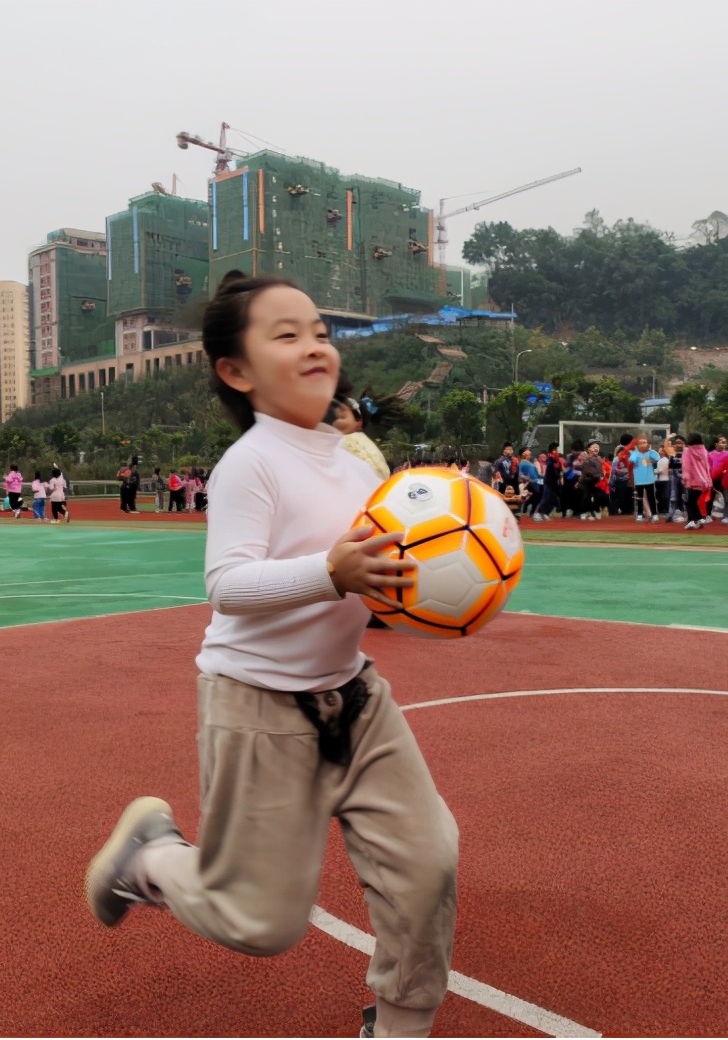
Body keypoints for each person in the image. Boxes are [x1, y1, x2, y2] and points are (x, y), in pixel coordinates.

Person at [85, 272, 457, 1040]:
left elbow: (375, 573)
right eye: (285, 335)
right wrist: (331, 571)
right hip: (260, 706)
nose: (314, 344)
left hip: (356, 699)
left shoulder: (355, 464)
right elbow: (227, 583)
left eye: (319, 330)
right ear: (236, 370)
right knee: (260, 924)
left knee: (429, 863)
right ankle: (149, 860)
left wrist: (444, 563)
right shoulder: (250, 465)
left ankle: (399, 1025)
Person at [681, 433, 712, 530]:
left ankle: (697, 519)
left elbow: (687, 466)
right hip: (703, 480)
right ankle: (693, 521)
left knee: (689, 502)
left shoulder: (688, 451)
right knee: (693, 501)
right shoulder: (704, 451)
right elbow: (707, 466)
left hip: (692, 480)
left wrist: (685, 478)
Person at [626, 436, 660, 522]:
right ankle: (640, 514)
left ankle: (654, 514)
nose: (644, 444)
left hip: (649, 479)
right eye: (642, 443)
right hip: (639, 480)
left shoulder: (650, 452)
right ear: (638, 445)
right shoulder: (635, 453)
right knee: (639, 498)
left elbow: (657, 458)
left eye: (645, 442)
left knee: (651, 497)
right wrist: (635, 453)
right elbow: (631, 460)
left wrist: (650, 450)